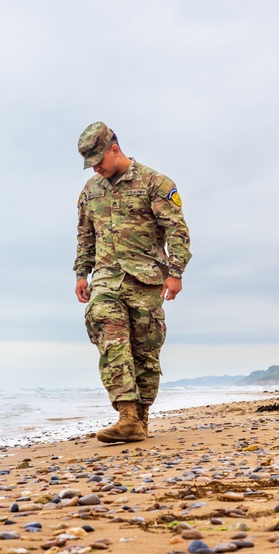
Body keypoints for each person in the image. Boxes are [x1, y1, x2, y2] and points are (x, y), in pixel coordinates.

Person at [74, 122, 191, 443]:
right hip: (105, 280)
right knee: (108, 335)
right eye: (90, 164)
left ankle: (140, 419)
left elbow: (177, 230)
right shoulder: (90, 190)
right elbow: (86, 235)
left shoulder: (155, 183)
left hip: (146, 280)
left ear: (115, 149)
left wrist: (176, 272)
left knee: (145, 352)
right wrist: (82, 273)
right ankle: (126, 415)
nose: (96, 168)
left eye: (99, 160)